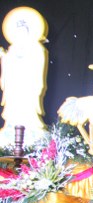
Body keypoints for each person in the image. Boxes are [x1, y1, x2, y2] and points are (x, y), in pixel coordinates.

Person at [0, 7, 48, 145]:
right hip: (14, 86)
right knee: (13, 109)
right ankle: (11, 127)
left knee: (27, 107)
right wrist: (4, 57)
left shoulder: (36, 49)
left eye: (24, 32)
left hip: (27, 85)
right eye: (18, 32)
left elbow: (37, 65)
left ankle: (30, 128)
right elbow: (8, 65)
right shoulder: (12, 50)